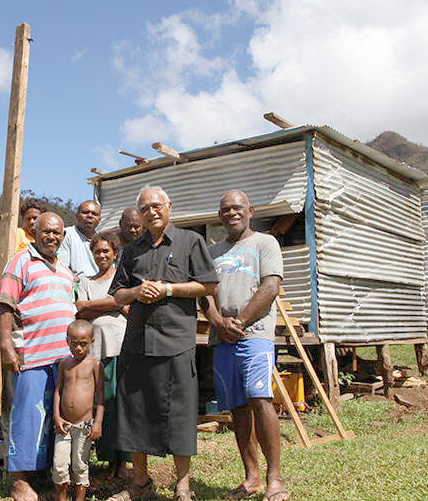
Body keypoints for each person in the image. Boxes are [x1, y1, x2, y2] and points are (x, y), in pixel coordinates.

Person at [109, 186, 218, 501]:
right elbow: (118, 294)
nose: (151, 212)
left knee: (180, 414)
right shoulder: (131, 251)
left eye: (156, 205)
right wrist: (136, 293)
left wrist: (168, 290)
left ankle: (183, 486)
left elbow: (208, 284)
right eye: (144, 209)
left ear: (169, 206)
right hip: (138, 342)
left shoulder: (190, 242)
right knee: (135, 413)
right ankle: (140, 484)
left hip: (176, 340)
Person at [200, 190, 290, 501]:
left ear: (250, 210)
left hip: (255, 335)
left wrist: (239, 322)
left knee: (260, 398)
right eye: (225, 209)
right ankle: (250, 477)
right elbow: (205, 294)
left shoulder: (265, 243)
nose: (231, 213)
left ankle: (274, 478)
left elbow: (271, 286)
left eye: (237, 208)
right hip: (221, 338)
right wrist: (217, 322)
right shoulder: (212, 252)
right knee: (237, 407)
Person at [0, 212, 76, 501]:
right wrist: (6, 345)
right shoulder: (20, 261)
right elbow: (5, 304)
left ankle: (50, 476)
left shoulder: (66, 271)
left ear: (63, 236)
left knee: (58, 418)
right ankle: (18, 481)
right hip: (32, 354)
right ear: (35, 233)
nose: (51, 237)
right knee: (28, 416)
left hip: (64, 359)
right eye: (46, 231)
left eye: (56, 232)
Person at [75, 232, 130, 479]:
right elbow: (81, 310)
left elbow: (131, 306)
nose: (102, 255)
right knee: (102, 405)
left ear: (115, 253)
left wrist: (96, 305)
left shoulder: (124, 280)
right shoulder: (86, 282)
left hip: (122, 350)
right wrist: (115, 303)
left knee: (122, 405)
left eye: (106, 251)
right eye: (98, 251)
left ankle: (123, 463)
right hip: (97, 353)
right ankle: (108, 460)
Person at [52, 320, 105, 501]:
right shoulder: (64, 365)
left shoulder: (95, 365)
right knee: (59, 465)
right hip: (64, 425)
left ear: (92, 341)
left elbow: (101, 397)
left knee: (80, 465)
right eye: (74, 344)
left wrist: (97, 422)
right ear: (67, 341)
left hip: (84, 426)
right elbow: (58, 391)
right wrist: (57, 416)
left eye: (83, 344)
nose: (79, 348)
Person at [0, 198, 48, 298]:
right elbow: (8, 262)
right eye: (28, 219)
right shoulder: (18, 234)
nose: (32, 222)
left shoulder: (46, 240)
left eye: (35, 218)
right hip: (9, 279)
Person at [59, 200, 101, 279]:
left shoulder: (103, 240)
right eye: (85, 212)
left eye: (94, 214)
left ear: (99, 219)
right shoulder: (66, 234)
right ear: (77, 215)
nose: (90, 216)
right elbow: (62, 267)